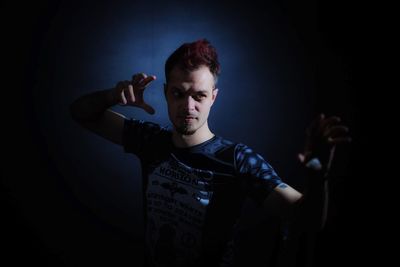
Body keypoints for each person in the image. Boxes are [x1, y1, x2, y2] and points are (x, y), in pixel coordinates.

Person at [70, 39, 351, 267]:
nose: (188, 106)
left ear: (213, 98)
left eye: (199, 96)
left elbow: (306, 221)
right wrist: (111, 96)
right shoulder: (150, 140)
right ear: (166, 92)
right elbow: (80, 113)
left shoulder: (238, 160)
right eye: (179, 94)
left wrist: (318, 171)